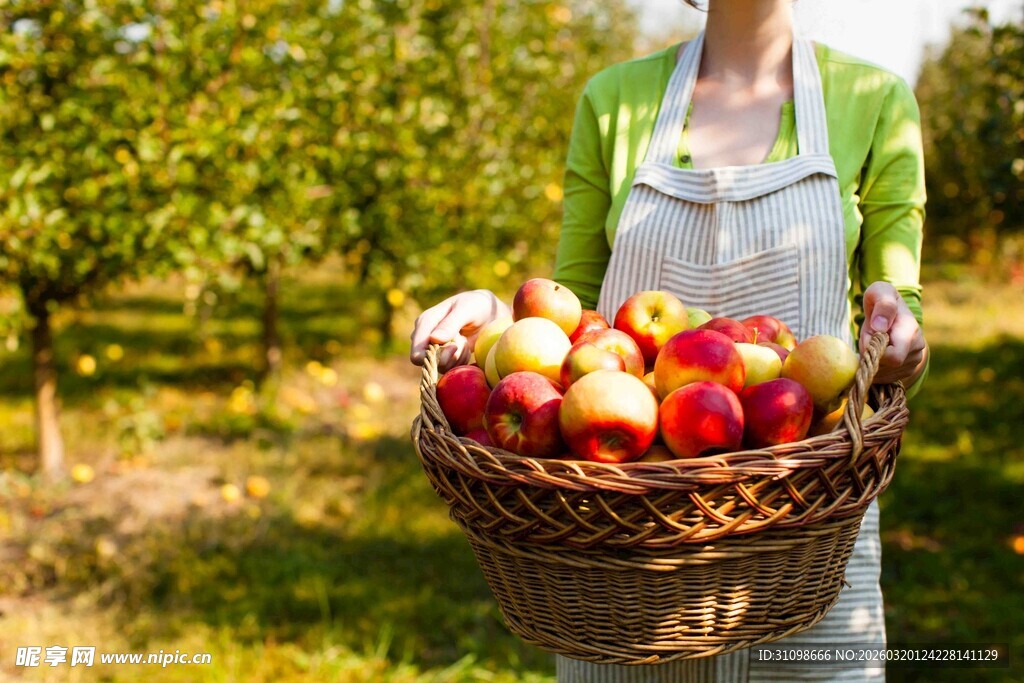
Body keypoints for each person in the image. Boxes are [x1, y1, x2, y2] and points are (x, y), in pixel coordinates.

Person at [410, 0, 929, 680]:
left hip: (804, 534)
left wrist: (901, 345)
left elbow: (899, 323)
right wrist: (491, 322)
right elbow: (576, 324)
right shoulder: (613, 101)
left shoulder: (874, 99)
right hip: (624, 554)